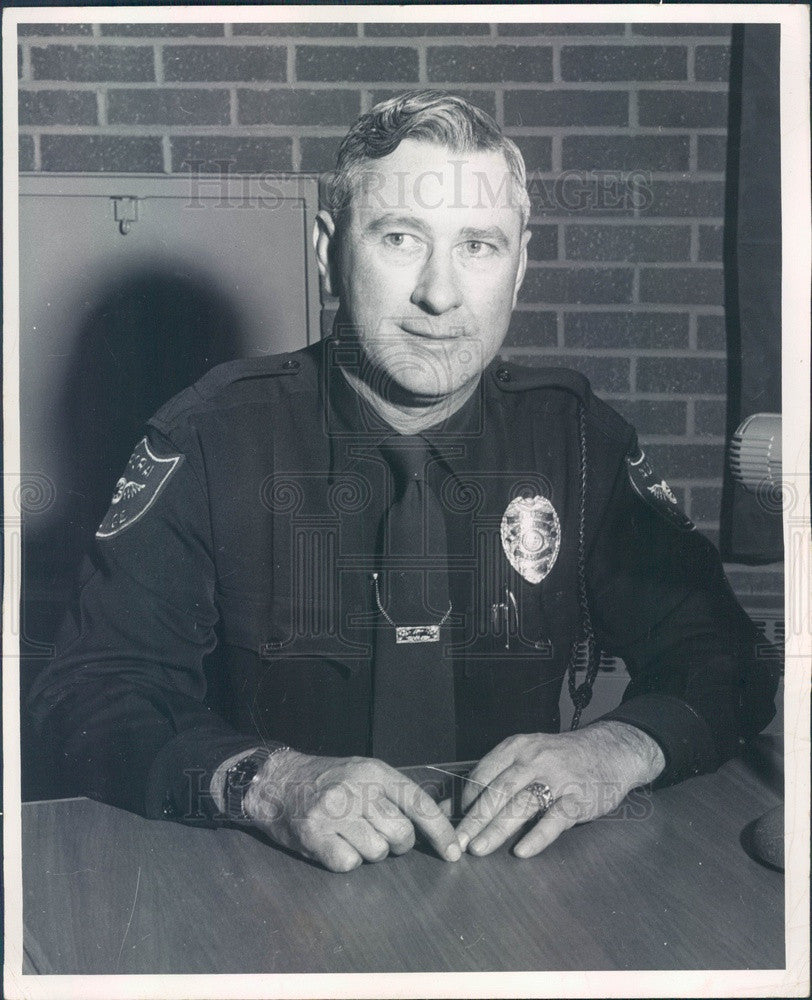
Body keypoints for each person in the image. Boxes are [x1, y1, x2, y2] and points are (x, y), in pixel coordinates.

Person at [29, 91, 779, 874]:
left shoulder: (573, 438)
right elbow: (88, 696)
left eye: (480, 247)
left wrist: (616, 749)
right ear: (329, 251)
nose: (441, 294)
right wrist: (269, 783)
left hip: (513, 879)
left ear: (520, 267)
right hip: (264, 875)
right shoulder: (213, 438)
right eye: (399, 238)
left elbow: (726, 659)